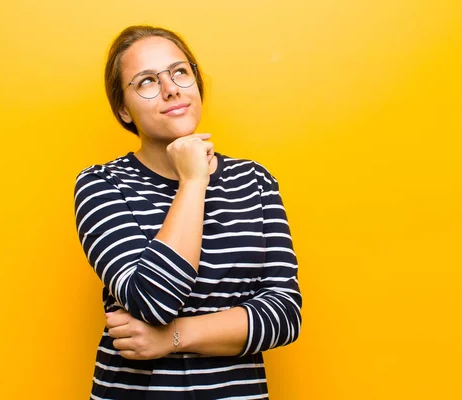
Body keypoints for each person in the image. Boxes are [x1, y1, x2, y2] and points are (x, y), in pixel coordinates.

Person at [74, 25, 302, 400]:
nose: (171, 89)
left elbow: (284, 314)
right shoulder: (102, 185)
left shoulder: (255, 181)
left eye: (180, 72)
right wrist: (193, 182)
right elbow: (152, 300)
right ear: (123, 110)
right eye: (146, 81)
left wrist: (173, 337)